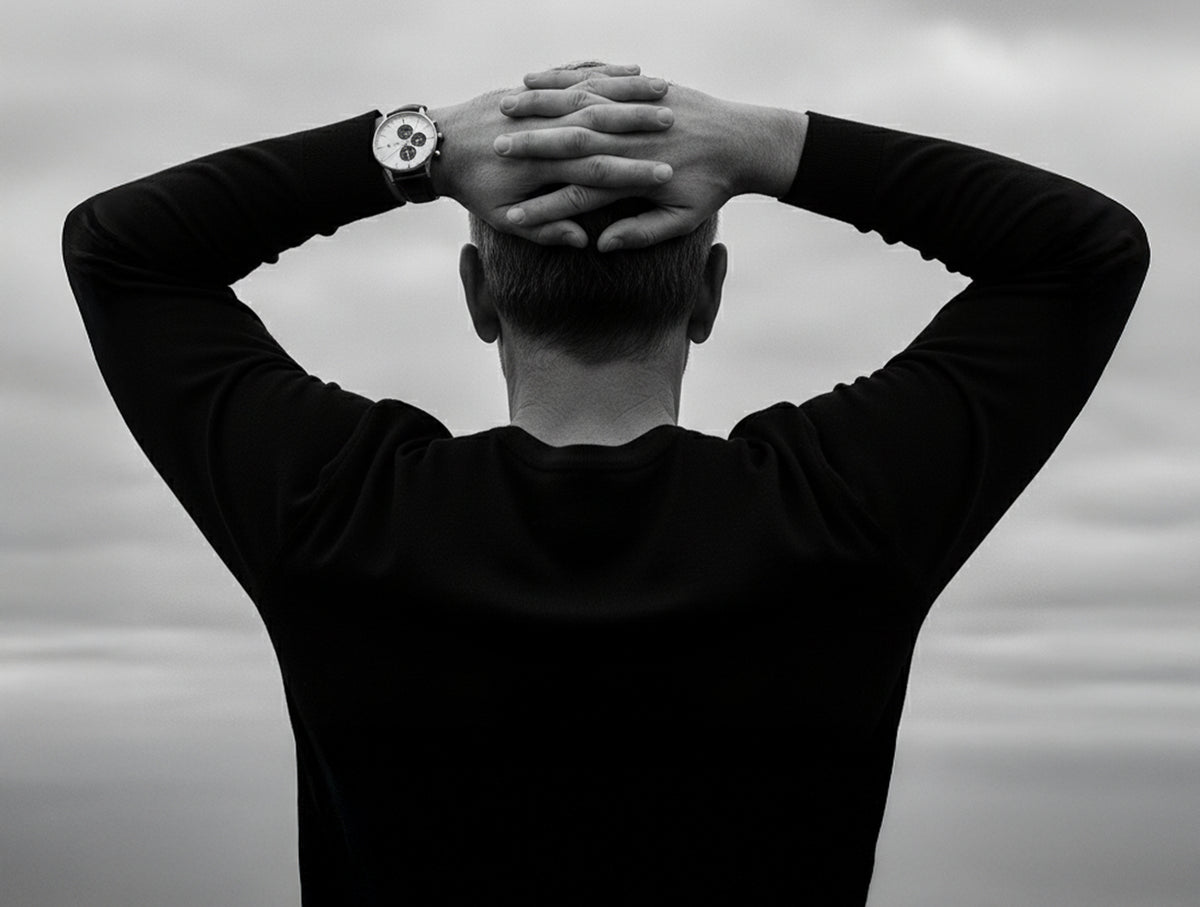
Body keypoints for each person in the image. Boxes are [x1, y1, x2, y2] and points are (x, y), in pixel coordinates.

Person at [63, 61, 1149, 906]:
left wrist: (418, 149)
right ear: (710, 294)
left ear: (478, 293)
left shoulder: (336, 514)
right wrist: (764, 146)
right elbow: (1082, 252)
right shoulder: (843, 515)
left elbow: (123, 249)